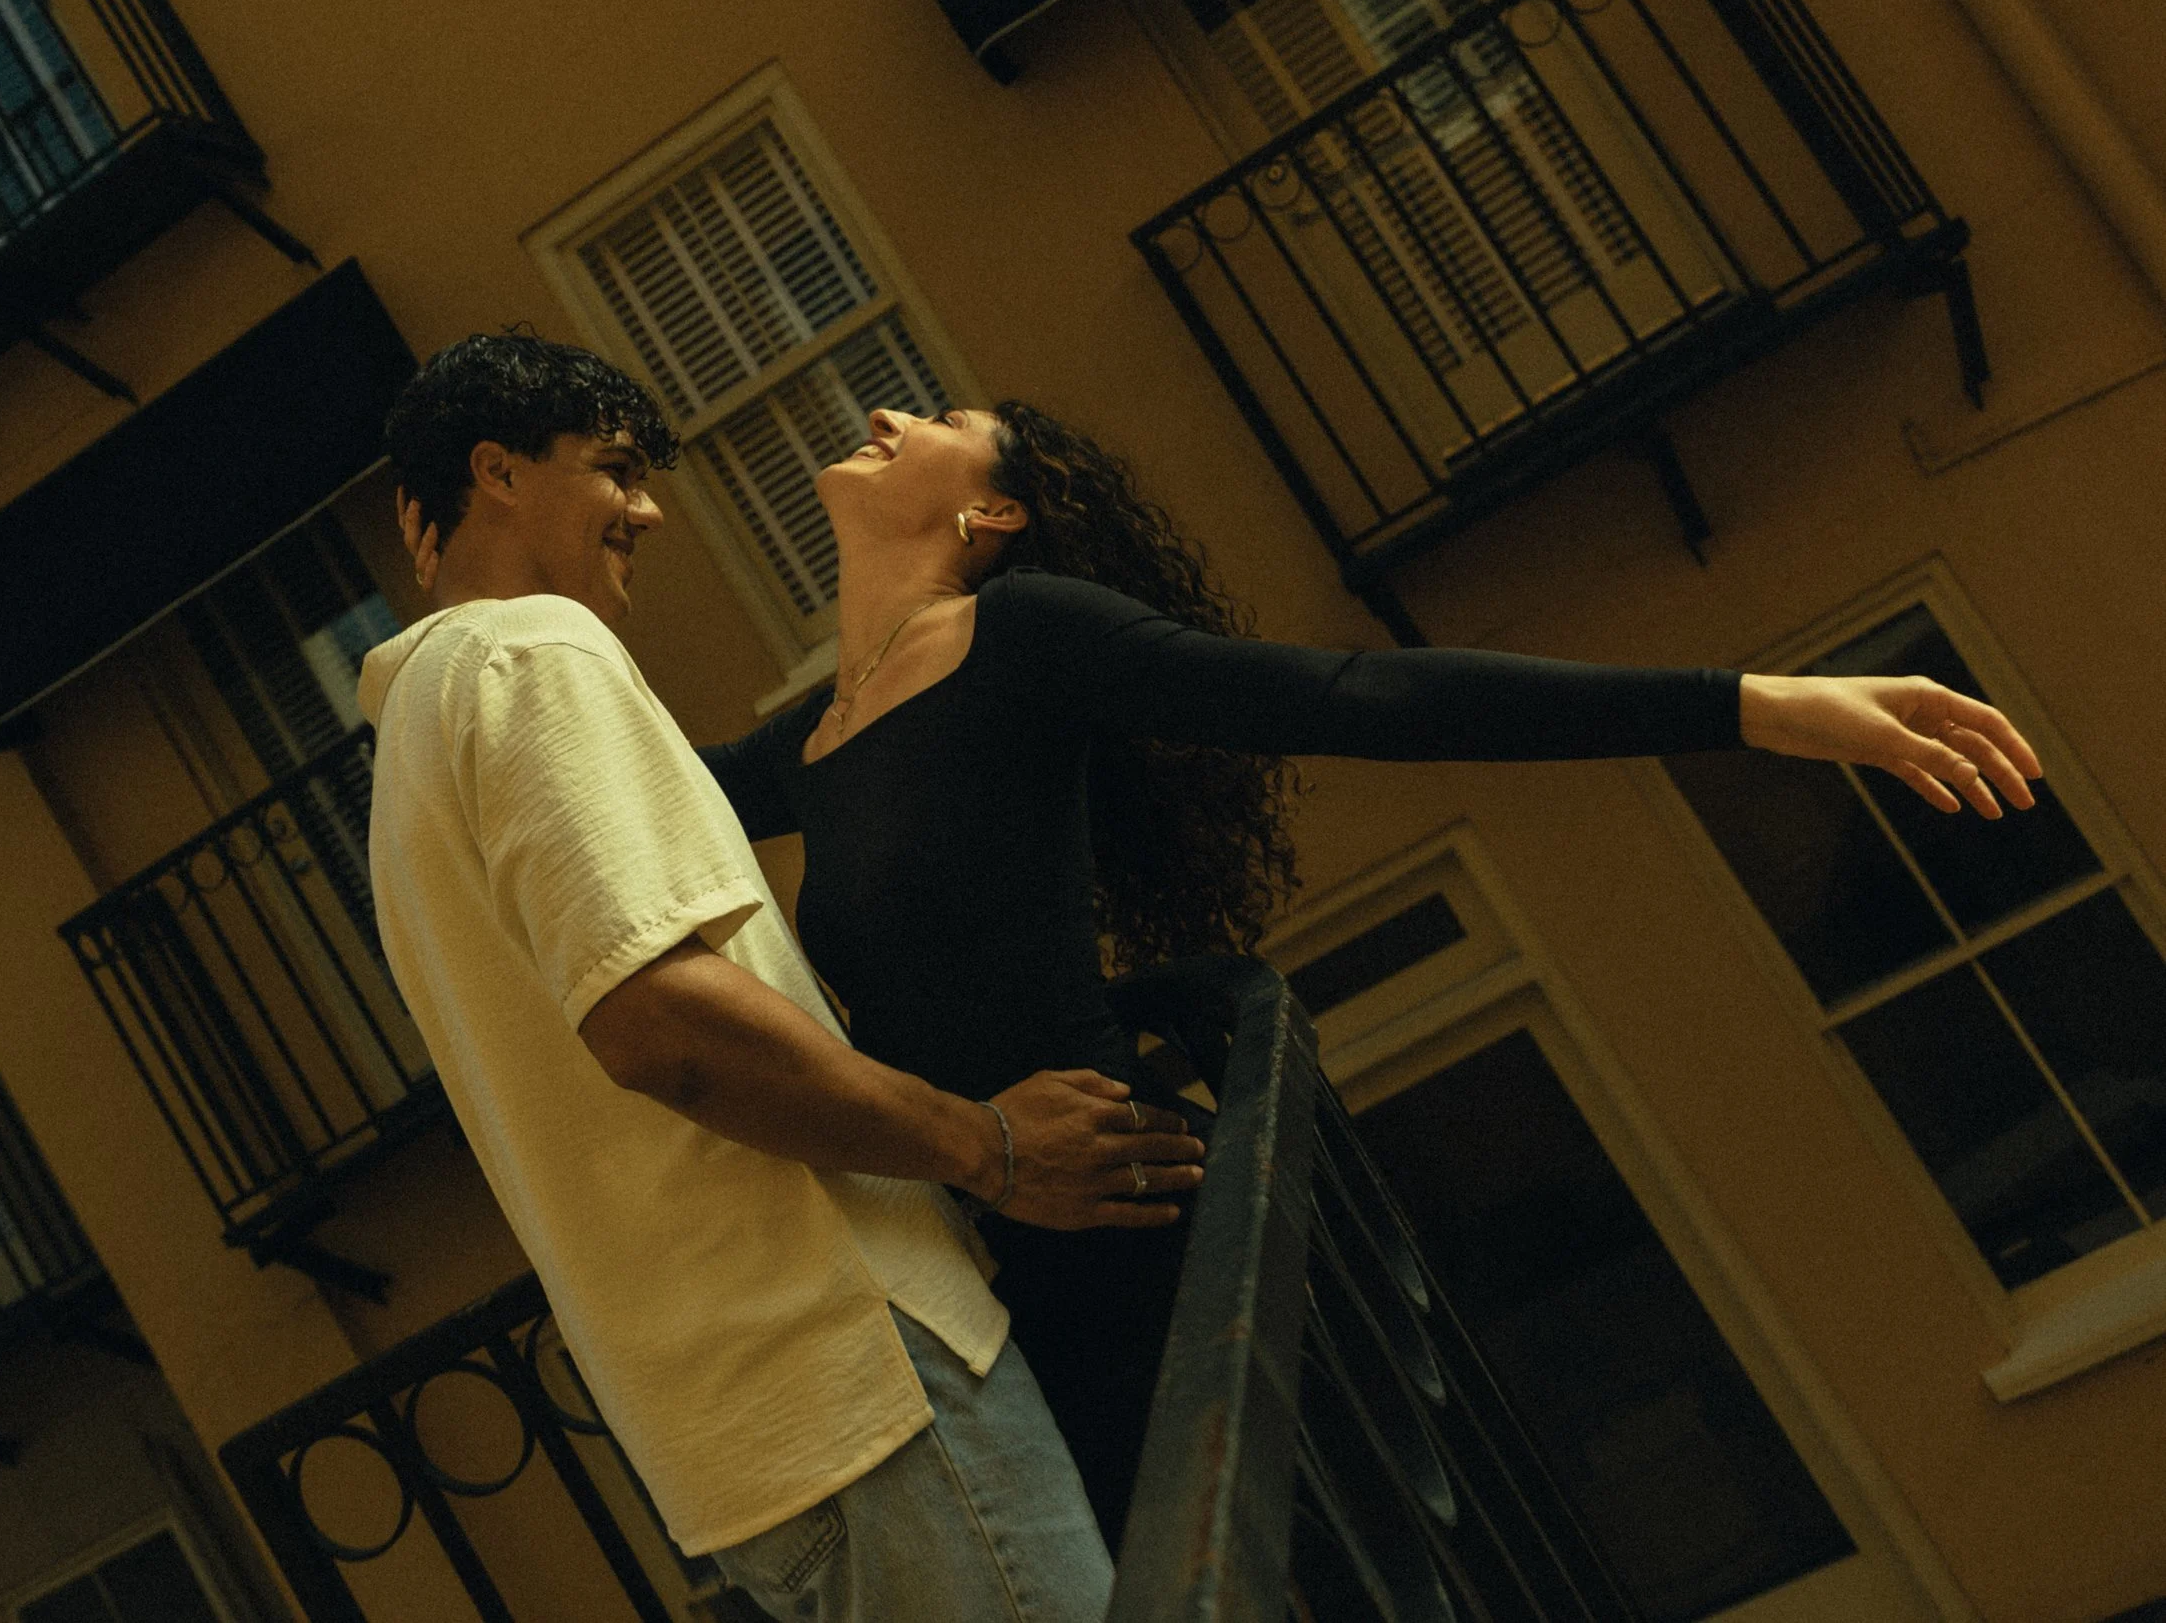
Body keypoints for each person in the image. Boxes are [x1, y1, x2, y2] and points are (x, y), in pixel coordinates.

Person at [676, 398, 2045, 1547]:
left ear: (995, 513)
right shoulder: (811, 742)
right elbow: (607, 782)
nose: (888, 413)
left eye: (939, 418)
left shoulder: (1024, 632)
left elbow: (1352, 696)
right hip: (981, 1252)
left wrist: (1757, 705)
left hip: (1116, 1227)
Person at [359, 335, 1205, 1623]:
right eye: (615, 469)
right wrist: (986, 1146)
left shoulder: (416, 738)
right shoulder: (534, 654)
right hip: (853, 1370)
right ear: (498, 473)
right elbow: (661, 1023)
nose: (648, 510)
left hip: (740, 1443)